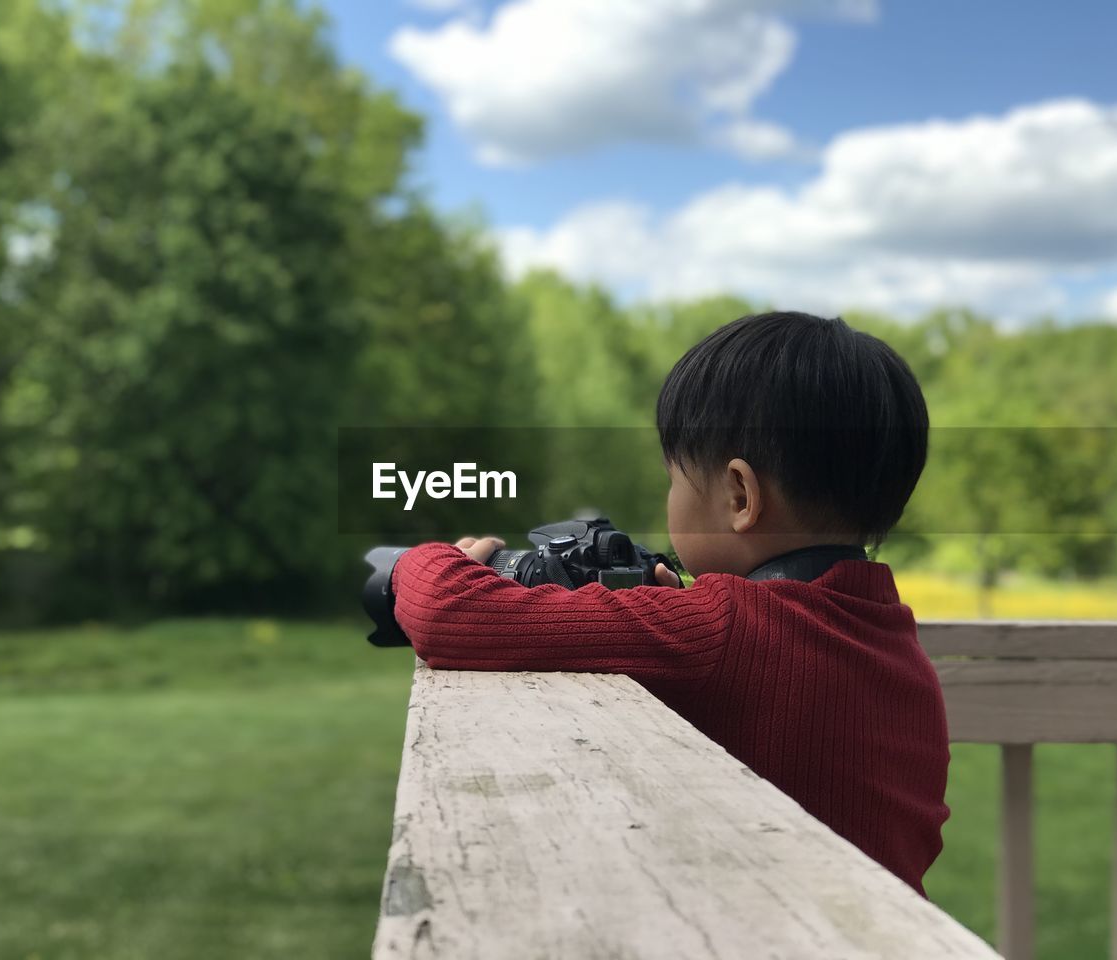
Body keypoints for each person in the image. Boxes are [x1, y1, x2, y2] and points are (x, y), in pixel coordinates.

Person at [389, 311, 949, 897]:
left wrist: (421, 560)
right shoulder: (897, 646)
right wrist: (672, 613)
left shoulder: (719, 627)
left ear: (739, 496)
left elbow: (450, 613)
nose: (670, 499)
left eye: (675, 479)